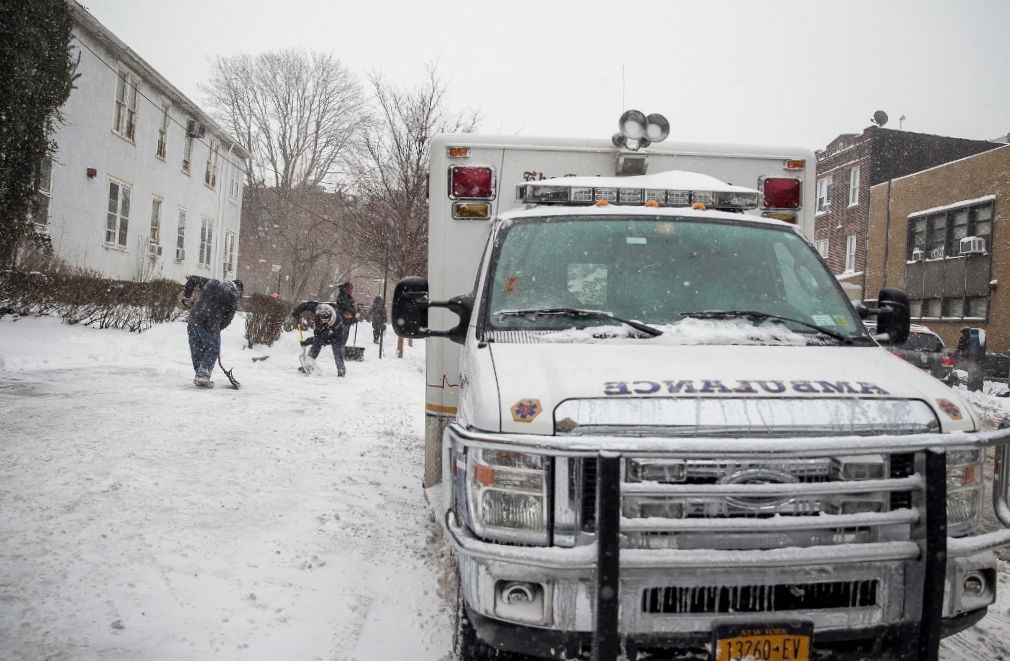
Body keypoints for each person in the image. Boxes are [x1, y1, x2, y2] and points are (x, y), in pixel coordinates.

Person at [182, 276, 243, 388]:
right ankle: (203, 376)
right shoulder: (234, 297)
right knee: (213, 349)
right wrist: (216, 330)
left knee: (197, 349)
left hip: (193, 319)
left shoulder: (213, 283)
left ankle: (200, 374)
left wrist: (187, 296)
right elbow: (227, 320)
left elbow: (192, 279)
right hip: (210, 323)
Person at [291, 301, 346, 376]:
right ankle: (308, 365)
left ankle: (341, 369)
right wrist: (297, 311)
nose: (323, 321)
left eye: (325, 320)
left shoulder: (335, 323)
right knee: (316, 345)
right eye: (322, 318)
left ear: (330, 317)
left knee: (337, 350)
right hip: (323, 330)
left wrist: (308, 341)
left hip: (336, 336)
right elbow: (306, 305)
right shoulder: (318, 308)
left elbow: (322, 338)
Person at [955, 327, 984, 392]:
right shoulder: (971, 338)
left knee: (964, 370)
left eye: (963, 333)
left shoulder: (963, 339)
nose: (963, 334)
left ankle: (967, 383)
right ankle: (969, 383)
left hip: (966, 357)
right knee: (969, 371)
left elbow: (960, 347)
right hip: (971, 357)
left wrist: (957, 353)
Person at [335, 282, 357, 346]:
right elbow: (346, 307)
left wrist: (355, 315)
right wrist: (352, 313)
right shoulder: (342, 296)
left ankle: (342, 348)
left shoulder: (348, 296)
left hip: (347, 320)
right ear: (346, 288)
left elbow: (352, 306)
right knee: (342, 336)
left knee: (345, 336)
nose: (351, 290)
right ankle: (340, 348)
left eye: (352, 289)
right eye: (350, 288)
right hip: (343, 319)